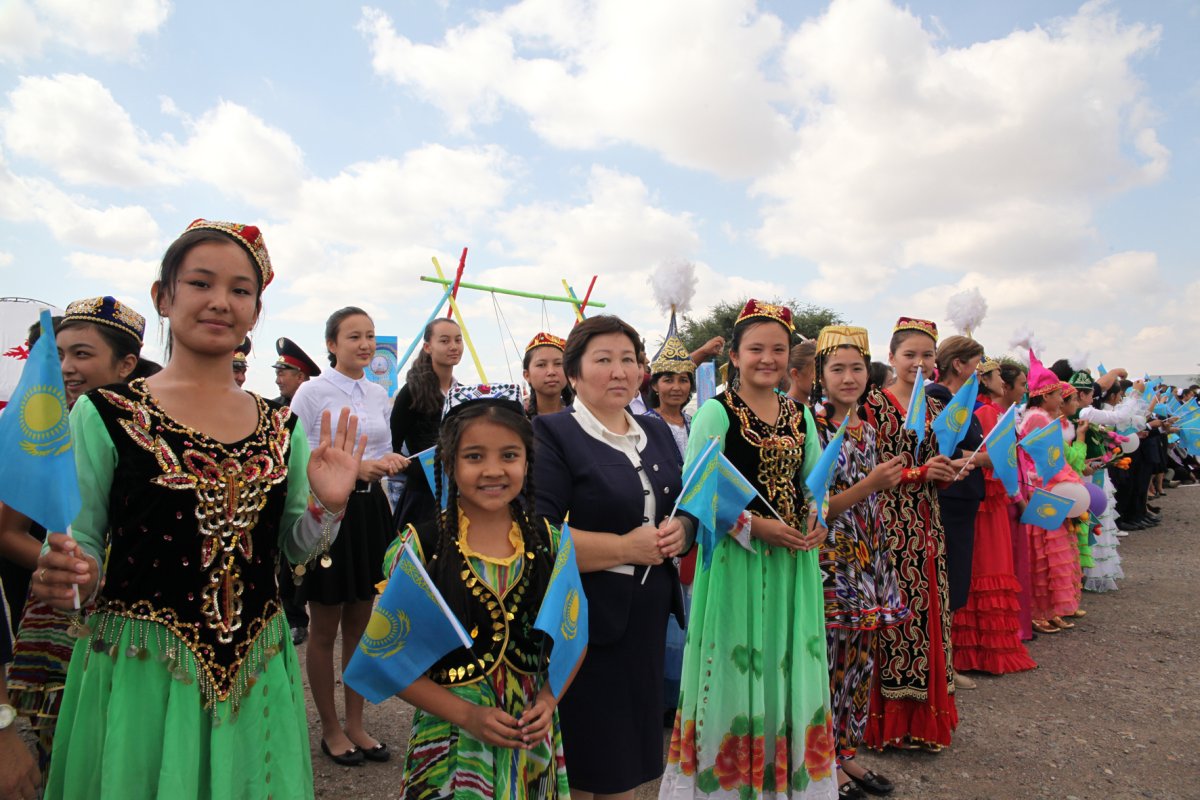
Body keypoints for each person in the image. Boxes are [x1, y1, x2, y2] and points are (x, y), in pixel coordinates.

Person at [33, 218, 366, 799]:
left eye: (241, 290)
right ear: (163, 297)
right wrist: (73, 571)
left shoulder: (280, 426)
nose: (221, 302)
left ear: (256, 312)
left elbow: (290, 548)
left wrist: (326, 509)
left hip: (257, 670)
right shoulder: (105, 413)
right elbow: (78, 536)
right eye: (201, 284)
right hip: (141, 672)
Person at [660, 300, 837, 800]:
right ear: (733, 356)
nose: (768, 358)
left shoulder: (801, 414)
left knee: (788, 660)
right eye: (756, 348)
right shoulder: (715, 412)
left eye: (778, 349)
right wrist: (757, 527)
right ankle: (731, 783)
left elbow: (815, 484)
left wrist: (815, 518)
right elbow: (699, 493)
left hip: (793, 564)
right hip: (737, 562)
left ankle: (784, 777)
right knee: (740, 665)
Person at [388, 383, 584, 800]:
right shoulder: (418, 549)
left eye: (509, 455)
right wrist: (467, 714)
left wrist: (549, 701)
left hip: (531, 739)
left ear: (528, 461)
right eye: (474, 456)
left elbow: (575, 636)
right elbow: (390, 659)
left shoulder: (551, 542)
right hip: (451, 743)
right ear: (448, 462)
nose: (493, 470)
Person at [533, 315, 690, 800]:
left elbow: (685, 503)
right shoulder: (552, 433)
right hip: (586, 623)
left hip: (644, 621)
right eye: (603, 360)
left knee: (627, 764)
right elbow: (538, 535)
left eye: (628, 360)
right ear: (574, 373)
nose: (620, 371)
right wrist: (625, 548)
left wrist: (683, 530)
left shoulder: (654, 430)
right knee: (588, 763)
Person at [2, 297, 147, 780]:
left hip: (142, 629)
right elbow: (6, 533)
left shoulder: (153, 433)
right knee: (70, 761)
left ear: (126, 364)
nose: (66, 367)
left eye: (82, 355)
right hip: (63, 620)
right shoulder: (47, 431)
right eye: (60, 354)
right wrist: (73, 570)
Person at [289, 306, 408, 766]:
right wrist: (354, 469)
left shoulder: (379, 394)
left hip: (371, 511)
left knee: (362, 619)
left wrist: (387, 464)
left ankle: (357, 723)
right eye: (353, 336)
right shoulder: (311, 392)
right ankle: (331, 729)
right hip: (328, 512)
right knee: (324, 626)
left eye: (370, 336)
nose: (364, 344)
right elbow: (295, 457)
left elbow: (382, 450)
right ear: (332, 344)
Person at [809, 325, 908, 799]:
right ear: (819, 375)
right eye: (837, 368)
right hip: (830, 563)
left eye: (856, 368)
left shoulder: (864, 427)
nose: (849, 377)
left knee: (858, 664)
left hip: (868, 558)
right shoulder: (812, 426)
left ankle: (845, 754)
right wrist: (871, 484)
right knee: (828, 663)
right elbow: (813, 507)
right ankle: (821, 760)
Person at [862, 317, 961, 753]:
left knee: (930, 613)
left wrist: (948, 471)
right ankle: (888, 722)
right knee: (895, 619)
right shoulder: (872, 406)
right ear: (891, 357)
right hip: (887, 525)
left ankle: (925, 720)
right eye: (909, 355)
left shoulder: (938, 409)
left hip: (927, 524)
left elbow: (935, 467)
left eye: (926, 356)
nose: (918, 364)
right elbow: (868, 470)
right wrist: (922, 472)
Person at [949, 357, 1037, 676]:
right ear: (986, 380)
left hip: (997, 500)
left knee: (996, 567)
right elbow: (986, 462)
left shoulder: (999, 413)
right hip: (987, 504)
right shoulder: (985, 413)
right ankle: (978, 649)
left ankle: (993, 644)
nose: (1004, 381)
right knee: (985, 569)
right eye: (1000, 375)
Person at [642, 319, 696, 727]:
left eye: (683, 379)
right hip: (658, 527)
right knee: (662, 616)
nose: (676, 387)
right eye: (667, 380)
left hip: (693, 530)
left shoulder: (698, 424)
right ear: (654, 384)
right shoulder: (644, 426)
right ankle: (659, 697)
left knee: (692, 612)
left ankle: (684, 694)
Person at [926, 335, 987, 691]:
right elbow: (943, 449)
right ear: (959, 364)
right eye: (976, 361)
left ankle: (946, 661)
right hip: (948, 499)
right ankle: (941, 664)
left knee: (955, 581)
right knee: (945, 580)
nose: (980, 370)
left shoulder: (962, 400)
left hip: (964, 500)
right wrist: (980, 458)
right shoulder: (938, 398)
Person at [1019, 352, 1082, 634]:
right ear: (1044, 396)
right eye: (1057, 393)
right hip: (1042, 490)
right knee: (1044, 555)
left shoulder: (1045, 417)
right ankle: (1039, 611)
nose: (1061, 398)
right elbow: (1034, 459)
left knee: (1058, 552)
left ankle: (1054, 607)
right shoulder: (1036, 420)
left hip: (1054, 485)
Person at [271, 336, 323, 645]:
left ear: (301, 377)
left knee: (301, 559)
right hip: (281, 491)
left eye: (283, 373)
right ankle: (289, 613)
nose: (278, 379)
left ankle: (296, 616)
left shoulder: (307, 409)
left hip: (309, 492)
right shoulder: (271, 411)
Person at [391, 318, 462, 529]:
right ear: (428, 347)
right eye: (445, 340)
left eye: (458, 340)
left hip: (461, 495)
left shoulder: (463, 393)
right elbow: (392, 447)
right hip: (422, 498)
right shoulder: (411, 393)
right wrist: (418, 470)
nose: (453, 346)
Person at [523, 332, 571, 418]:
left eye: (558, 363)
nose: (551, 372)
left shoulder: (584, 418)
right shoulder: (518, 422)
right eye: (541, 365)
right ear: (527, 375)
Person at [273, 336, 321, 405]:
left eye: (280, 374)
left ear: (300, 377)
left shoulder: (320, 405)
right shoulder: (274, 408)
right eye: (277, 375)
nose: (277, 381)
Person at [786, 339, 817, 406]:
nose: (822, 379)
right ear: (795, 374)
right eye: (817, 373)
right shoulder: (783, 411)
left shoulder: (821, 408)